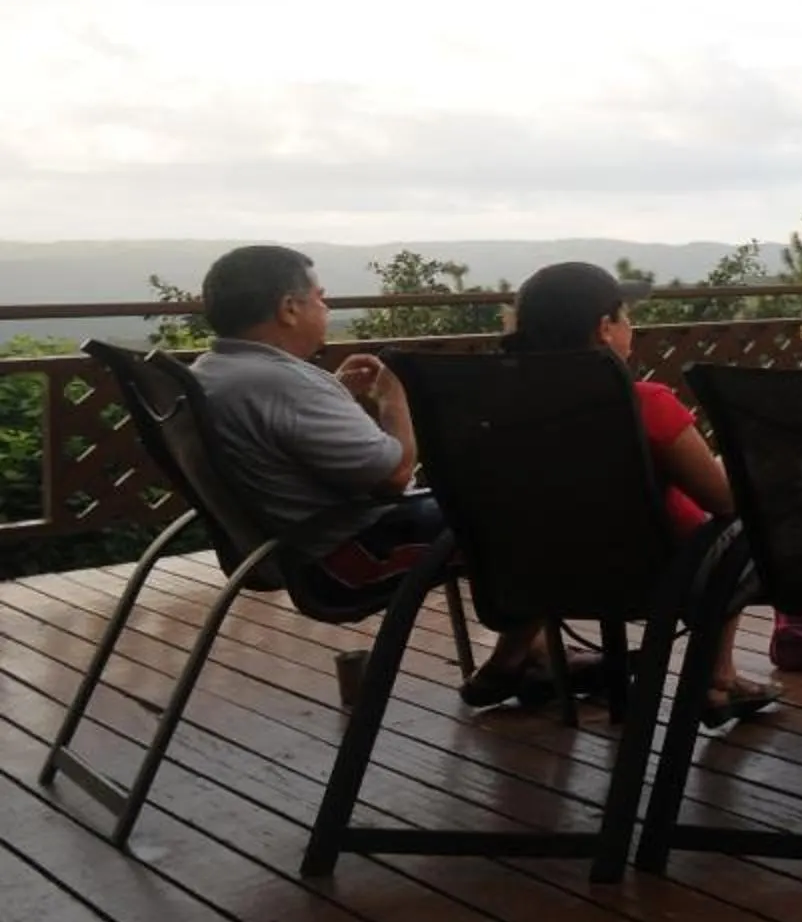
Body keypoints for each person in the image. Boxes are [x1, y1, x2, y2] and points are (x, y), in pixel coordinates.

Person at [189, 244, 543, 709]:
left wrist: (333, 395)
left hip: (285, 544)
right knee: (539, 515)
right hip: (343, 558)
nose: (327, 308)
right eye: (321, 297)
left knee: (501, 504)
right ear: (289, 309)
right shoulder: (284, 384)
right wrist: (396, 396)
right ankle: (512, 662)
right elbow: (394, 475)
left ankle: (536, 656)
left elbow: (279, 432)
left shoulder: (214, 371)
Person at [506, 262, 773, 732]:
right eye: (626, 317)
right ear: (604, 329)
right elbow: (724, 503)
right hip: (658, 575)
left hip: (544, 571)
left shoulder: (507, 409)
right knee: (745, 523)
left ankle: (514, 659)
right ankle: (718, 675)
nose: (633, 327)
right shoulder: (642, 403)